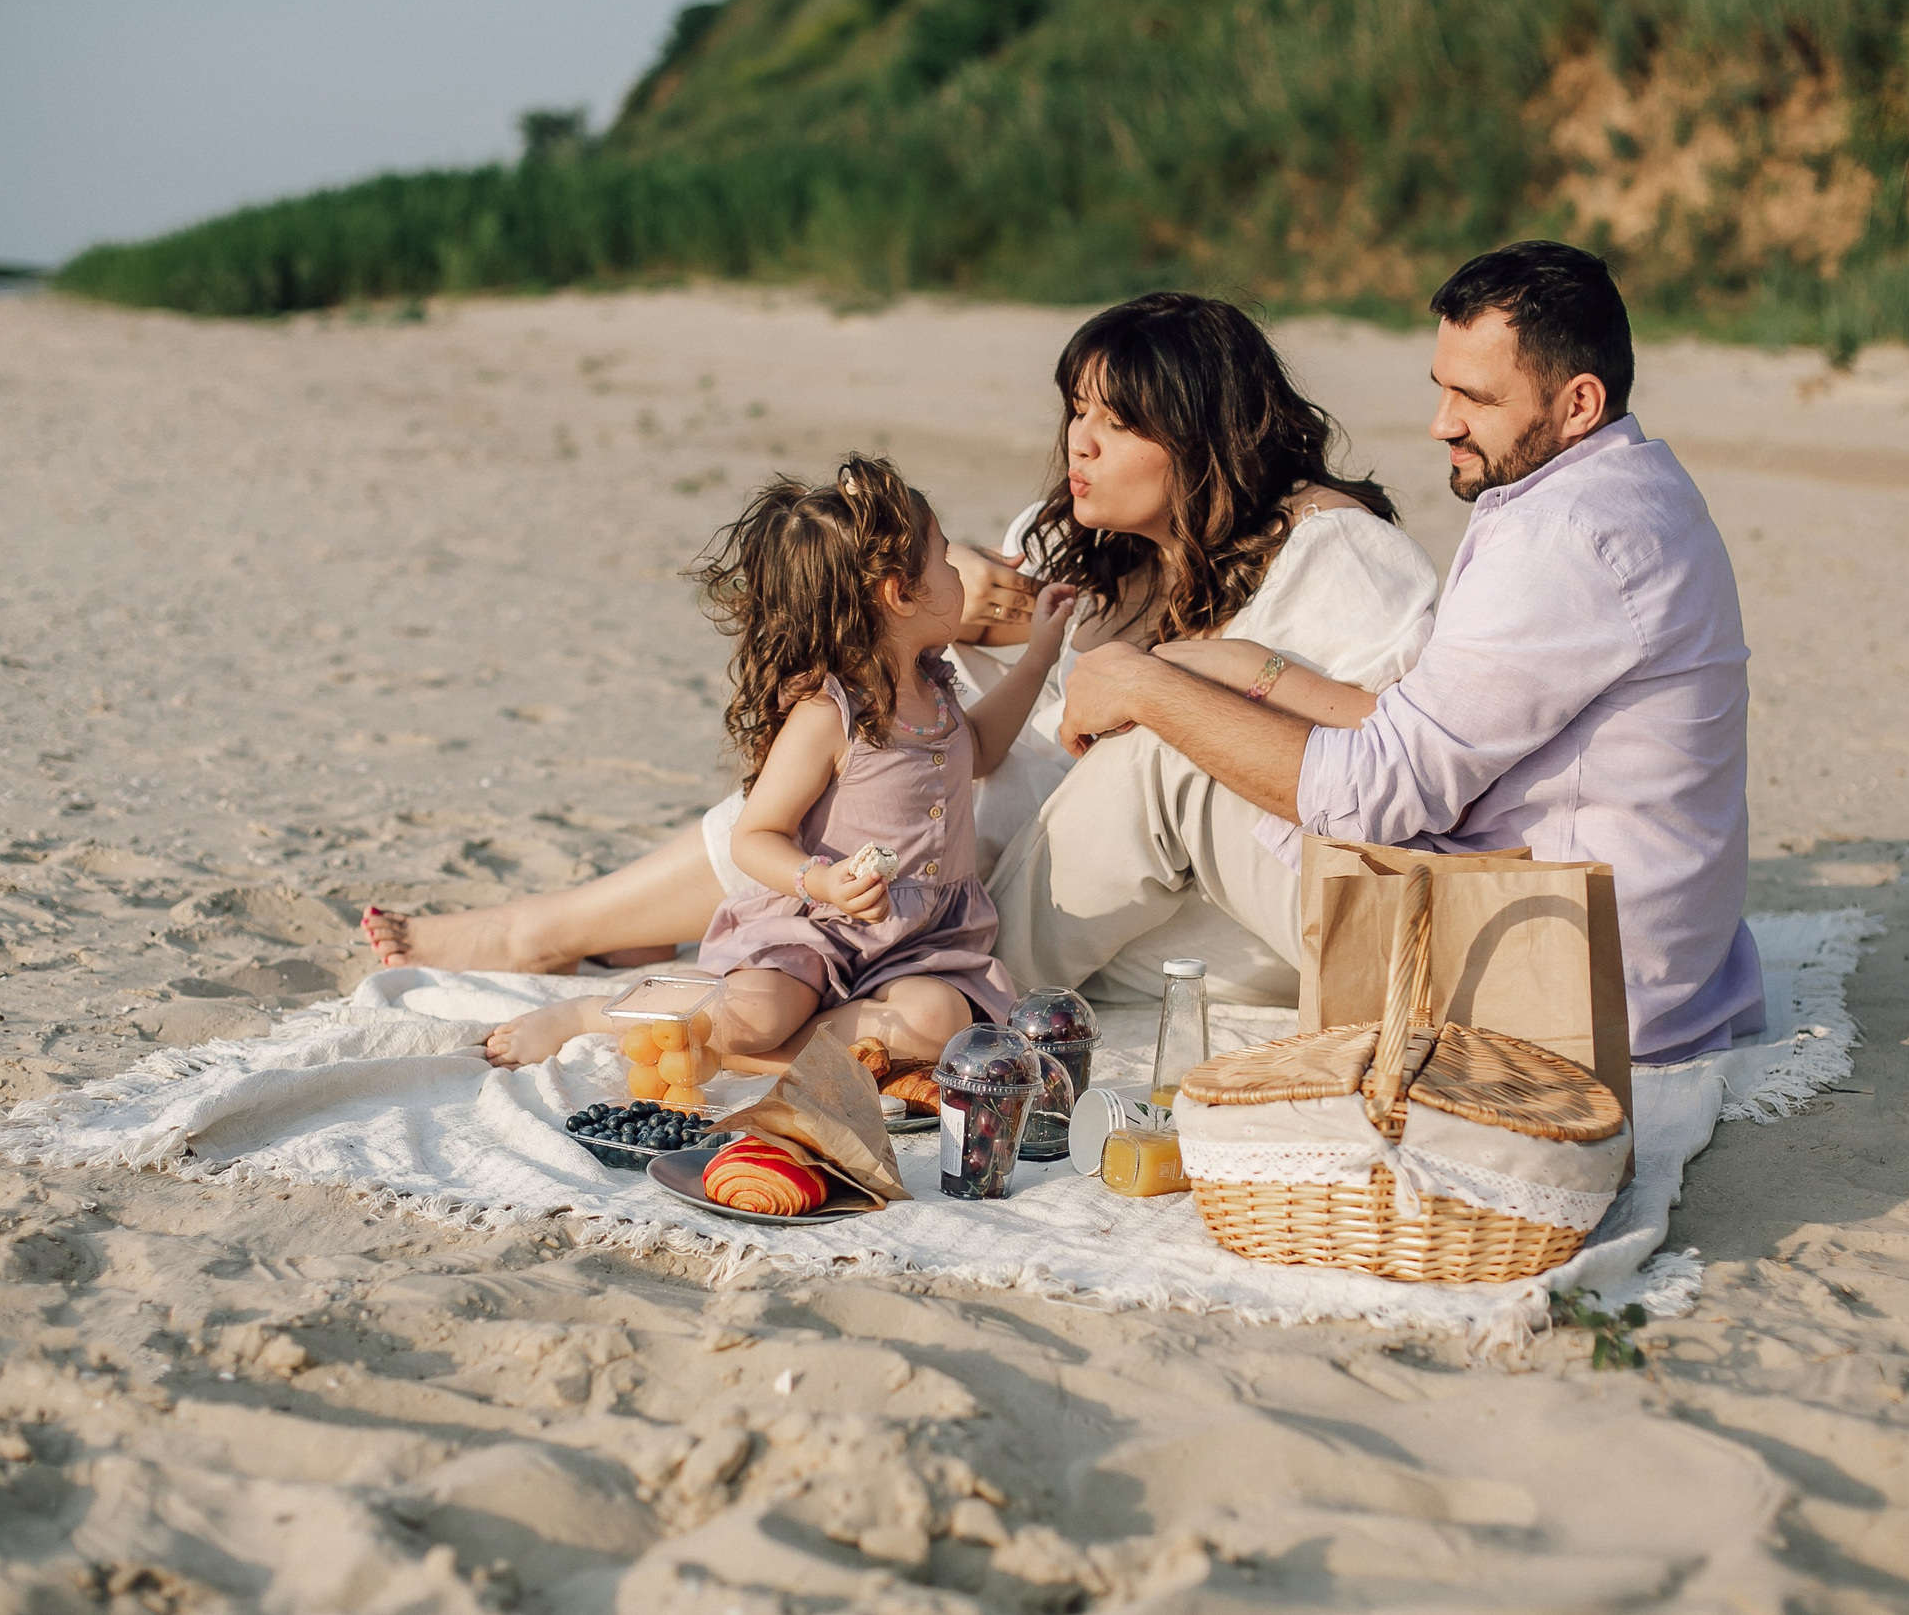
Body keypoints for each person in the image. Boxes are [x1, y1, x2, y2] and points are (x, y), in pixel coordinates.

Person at [366, 293, 1443, 1002]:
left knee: (951, 783)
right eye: (1075, 410)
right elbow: (954, 645)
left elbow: (1403, 762)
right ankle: (559, 931)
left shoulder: (1334, 555)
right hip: (1054, 863)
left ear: (1203, 436)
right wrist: (965, 601)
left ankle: (584, 939)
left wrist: (1189, 679)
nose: (1078, 444)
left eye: (1114, 425)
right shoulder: (1096, 547)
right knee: (885, 743)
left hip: (1209, 898)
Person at [1000, 241, 1765, 1062]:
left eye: (1473, 397)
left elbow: (1377, 792)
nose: (1442, 423)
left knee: (1163, 759)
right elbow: (1410, 723)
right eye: (1441, 388)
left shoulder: (1563, 539)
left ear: (1579, 402)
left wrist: (1150, 691)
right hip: (1626, 957)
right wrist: (1222, 665)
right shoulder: (1634, 488)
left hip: (1548, 976)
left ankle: (970, 987)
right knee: (1180, 747)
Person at [479, 455, 1077, 1068]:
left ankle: (730, 1055)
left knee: (938, 1020)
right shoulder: (828, 716)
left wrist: (1037, 659)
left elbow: (976, 751)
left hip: (918, 945)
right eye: (946, 559)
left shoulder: (935, 688)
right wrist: (820, 881)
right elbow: (754, 836)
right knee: (756, 1014)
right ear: (899, 594)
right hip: (814, 932)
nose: (958, 573)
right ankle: (595, 1016)